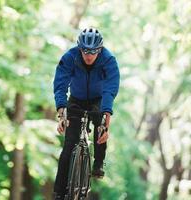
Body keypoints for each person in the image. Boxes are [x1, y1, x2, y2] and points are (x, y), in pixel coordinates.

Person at [52, 27, 120, 200]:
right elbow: (60, 85)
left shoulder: (108, 60)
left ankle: (98, 162)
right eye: (85, 51)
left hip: (98, 100)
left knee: (100, 126)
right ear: (79, 47)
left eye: (93, 51)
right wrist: (62, 112)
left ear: (100, 49)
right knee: (68, 146)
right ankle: (59, 193)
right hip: (76, 99)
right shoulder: (70, 57)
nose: (89, 55)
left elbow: (110, 90)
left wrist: (106, 118)